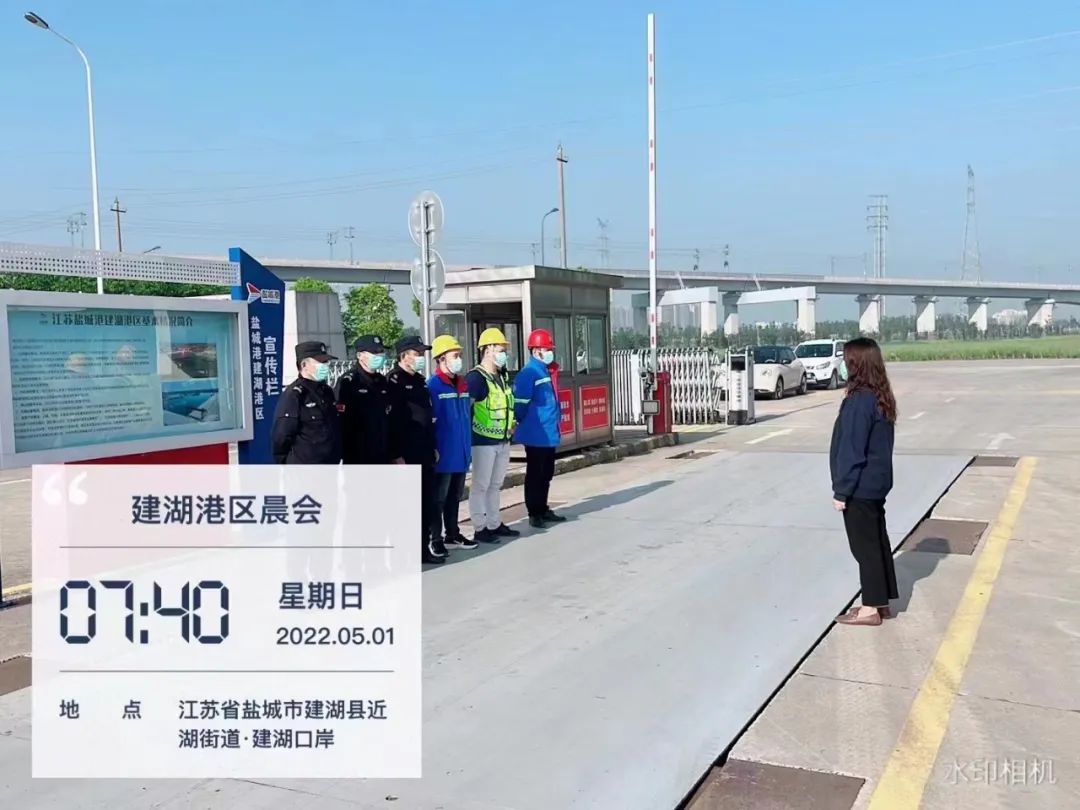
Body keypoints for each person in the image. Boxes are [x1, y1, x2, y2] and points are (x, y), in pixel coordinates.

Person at [830, 337, 899, 627]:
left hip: (859, 486)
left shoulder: (859, 401)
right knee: (877, 542)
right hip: (875, 484)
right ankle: (881, 601)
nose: (843, 365)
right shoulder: (879, 396)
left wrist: (841, 491)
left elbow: (852, 450)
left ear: (856, 364)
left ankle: (870, 608)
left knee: (864, 549)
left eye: (846, 360)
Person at [387, 334, 446, 565]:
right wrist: (395, 454)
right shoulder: (394, 382)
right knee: (406, 507)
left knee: (426, 504)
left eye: (422, 353)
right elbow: (391, 423)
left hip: (424, 451)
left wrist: (433, 446)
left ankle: (422, 549)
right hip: (406, 454)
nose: (421, 357)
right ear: (404, 356)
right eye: (417, 353)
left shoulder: (420, 381)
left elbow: (427, 417)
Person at [465, 328, 520, 544]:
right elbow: (466, 410)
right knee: (481, 485)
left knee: (495, 485)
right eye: (500, 350)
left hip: (503, 440)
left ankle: (494, 523)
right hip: (482, 441)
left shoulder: (502, 376)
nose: (504, 354)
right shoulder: (475, 378)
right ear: (487, 350)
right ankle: (480, 527)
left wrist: (511, 423)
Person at [513, 328, 565, 529]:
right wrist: (522, 423)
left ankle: (542, 508)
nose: (550, 352)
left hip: (548, 431)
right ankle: (534, 512)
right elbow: (520, 404)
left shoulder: (545, 370)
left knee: (546, 473)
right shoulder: (529, 373)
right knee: (536, 474)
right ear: (536, 351)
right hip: (536, 432)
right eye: (546, 349)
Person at [428, 335, 476, 550]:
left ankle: (453, 534)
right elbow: (430, 422)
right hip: (444, 452)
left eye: (459, 355)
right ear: (441, 359)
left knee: (455, 496)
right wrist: (433, 447)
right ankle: (435, 539)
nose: (459, 360)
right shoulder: (433, 386)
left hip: (461, 449)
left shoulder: (462, 384)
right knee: (438, 498)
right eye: (455, 356)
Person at [335, 334, 404, 465]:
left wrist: (395, 453)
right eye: (374, 352)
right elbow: (341, 422)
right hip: (358, 456)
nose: (379, 355)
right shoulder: (349, 382)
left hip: (382, 454)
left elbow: (389, 419)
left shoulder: (382, 381)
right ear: (360, 355)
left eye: (381, 351)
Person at [271, 341, 343, 464]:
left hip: (330, 466)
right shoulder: (294, 395)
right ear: (304, 365)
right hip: (304, 467)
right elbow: (282, 436)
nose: (325, 366)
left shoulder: (327, 391)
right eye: (321, 362)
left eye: (326, 362)